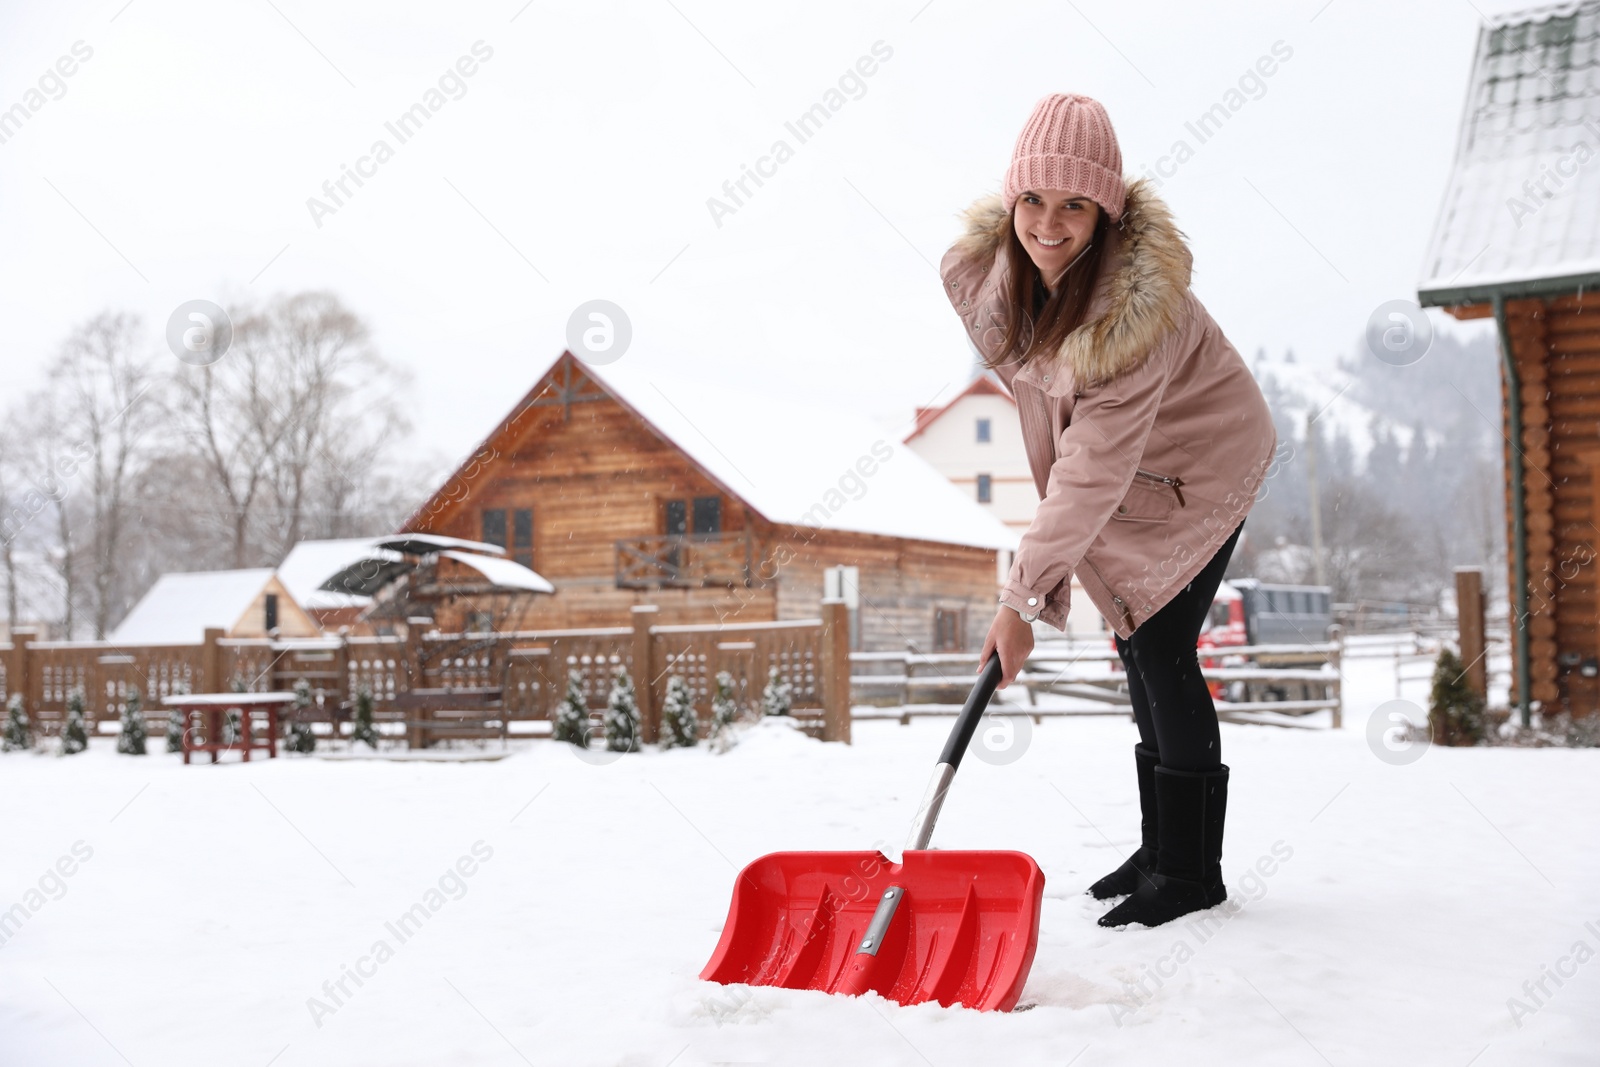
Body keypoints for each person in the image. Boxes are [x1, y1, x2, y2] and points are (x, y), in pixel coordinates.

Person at [939, 93, 1277, 929]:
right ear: (1011, 200)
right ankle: (1163, 848)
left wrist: (1021, 597)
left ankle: (1191, 871)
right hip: (1137, 473)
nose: (1048, 224)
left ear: (1106, 212)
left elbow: (1086, 471)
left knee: (1161, 645)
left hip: (1204, 466)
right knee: (1137, 643)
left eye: (1074, 205)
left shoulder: (1136, 321)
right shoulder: (1016, 288)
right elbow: (1071, 447)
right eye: (1033, 200)